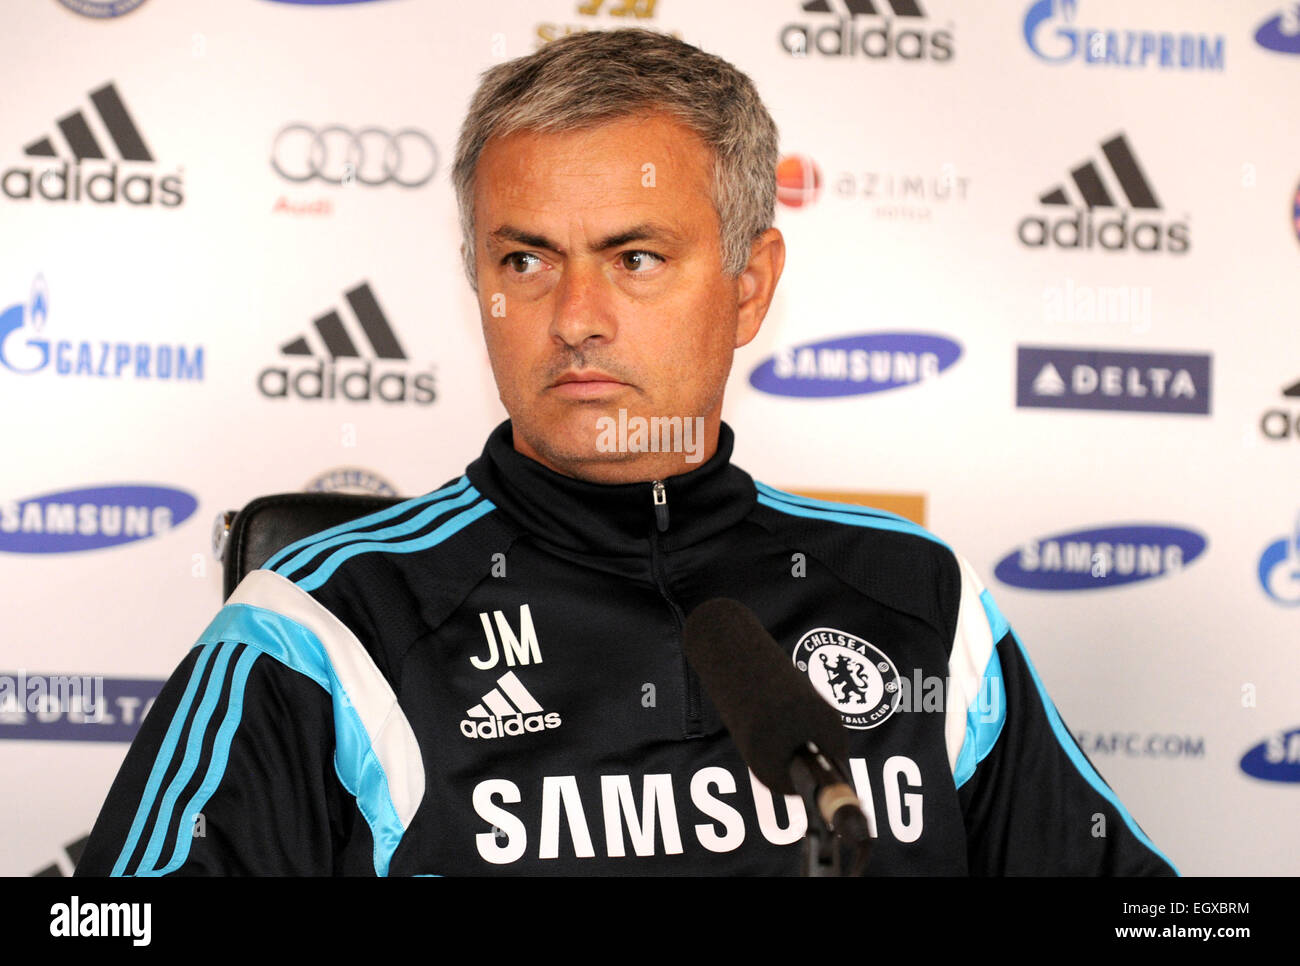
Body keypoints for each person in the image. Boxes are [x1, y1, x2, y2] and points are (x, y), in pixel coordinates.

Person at [76, 28, 1176, 876]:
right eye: (525, 261)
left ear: (749, 287)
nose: (575, 316)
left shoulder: (916, 598)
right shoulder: (321, 623)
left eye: (636, 256)